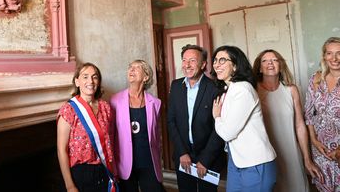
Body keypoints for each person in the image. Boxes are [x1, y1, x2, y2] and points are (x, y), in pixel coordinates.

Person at [253, 49, 323, 192]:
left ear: (280, 65)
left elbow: (300, 125)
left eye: (274, 60)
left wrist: (306, 158)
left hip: (292, 154)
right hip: (265, 156)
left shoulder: (291, 90)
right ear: (259, 68)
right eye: (265, 61)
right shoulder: (253, 90)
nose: (270, 63)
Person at [211, 45, 276, 192]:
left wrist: (217, 117)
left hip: (256, 162)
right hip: (237, 160)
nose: (216, 64)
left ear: (235, 65)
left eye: (222, 60)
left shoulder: (243, 89)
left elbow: (228, 133)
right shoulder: (229, 89)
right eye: (215, 60)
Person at [167, 44, 225, 192]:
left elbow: (218, 128)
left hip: (208, 157)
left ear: (203, 64)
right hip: (183, 155)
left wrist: (205, 160)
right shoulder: (175, 86)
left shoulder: (215, 89)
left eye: (192, 60)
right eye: (184, 60)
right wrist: (181, 152)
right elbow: (171, 121)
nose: (187, 65)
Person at [57, 62, 117, 192]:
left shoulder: (105, 107)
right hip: (80, 175)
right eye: (85, 76)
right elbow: (62, 150)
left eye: (95, 77)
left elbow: (109, 142)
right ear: (77, 82)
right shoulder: (69, 110)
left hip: (103, 171)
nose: (90, 81)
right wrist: (70, 186)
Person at [111, 60, 163, 192]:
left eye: (136, 68)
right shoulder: (114, 101)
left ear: (146, 77)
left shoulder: (155, 103)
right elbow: (111, 136)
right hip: (125, 164)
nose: (131, 70)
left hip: (149, 162)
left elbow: (156, 137)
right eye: (130, 67)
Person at [304, 37, 340, 192]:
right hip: (320, 149)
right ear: (324, 56)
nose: (334, 58)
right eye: (330, 53)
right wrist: (314, 140)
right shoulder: (316, 79)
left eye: (339, 53)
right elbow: (308, 113)